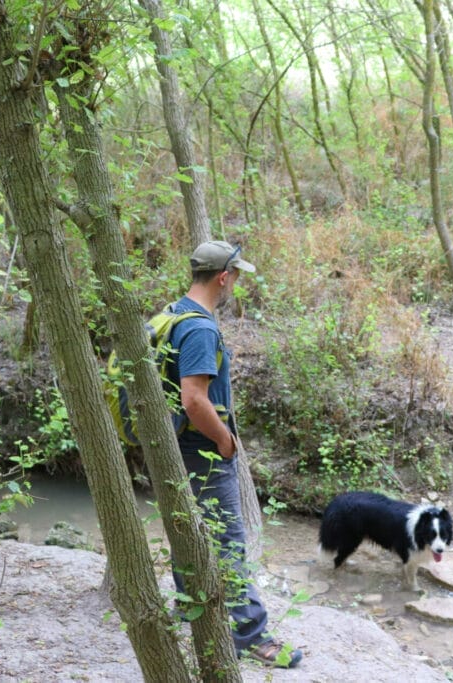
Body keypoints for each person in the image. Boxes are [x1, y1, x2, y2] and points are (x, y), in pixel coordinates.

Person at [165, 240, 301, 669]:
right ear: (223, 277)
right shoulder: (201, 329)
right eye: (236, 276)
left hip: (173, 449)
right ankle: (251, 636)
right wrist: (225, 442)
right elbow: (194, 399)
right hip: (201, 451)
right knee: (227, 543)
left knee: (188, 537)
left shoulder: (172, 313)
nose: (236, 284)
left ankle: (191, 615)